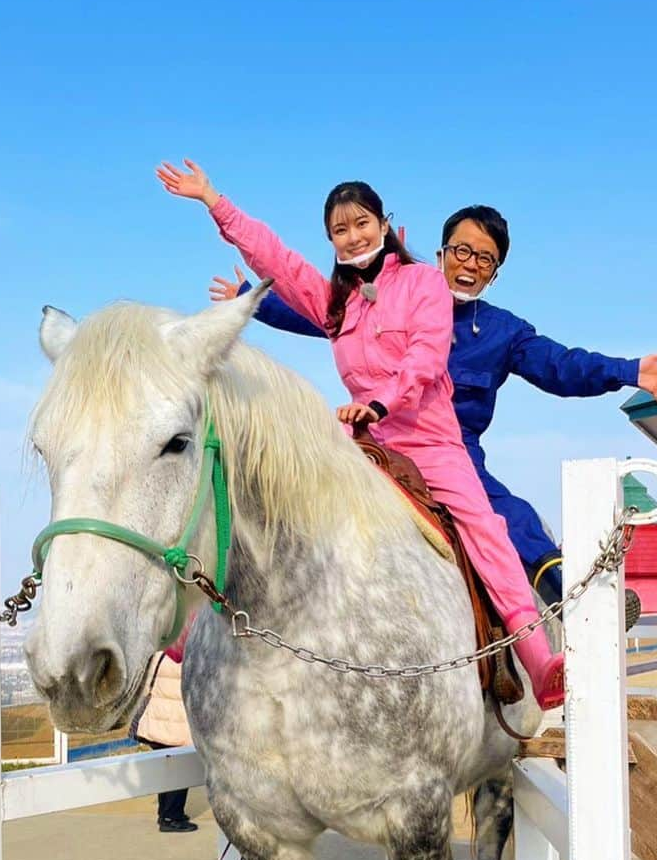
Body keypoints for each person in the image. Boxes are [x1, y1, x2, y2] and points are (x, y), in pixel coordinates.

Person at [155, 159, 565, 709]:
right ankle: (192, 620)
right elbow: (274, 256)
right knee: (268, 500)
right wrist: (213, 200)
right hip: (363, 441)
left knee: (485, 526)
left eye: (362, 224)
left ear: (384, 224)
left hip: (429, 439)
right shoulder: (334, 301)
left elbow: (423, 357)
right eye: (340, 230)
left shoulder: (424, 281)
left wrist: (378, 401)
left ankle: (536, 656)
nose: (353, 237)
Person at [209, 205, 657, 616]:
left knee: (510, 516)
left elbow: (562, 366)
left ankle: (573, 604)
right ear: (440, 254)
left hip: (455, 453)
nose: (470, 264)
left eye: (485, 259)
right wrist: (253, 300)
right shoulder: (389, 297)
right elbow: (319, 312)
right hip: (375, 437)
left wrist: (628, 371)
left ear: (494, 273)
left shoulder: (506, 332)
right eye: (461, 250)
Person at [132, 645, 196, 832]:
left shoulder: (159, 655)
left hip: (157, 723)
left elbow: (145, 686)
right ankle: (172, 817)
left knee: (167, 770)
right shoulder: (189, 658)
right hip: (178, 723)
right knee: (181, 772)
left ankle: (165, 812)